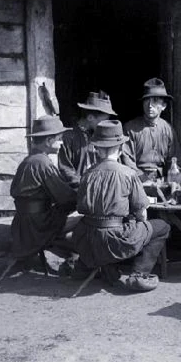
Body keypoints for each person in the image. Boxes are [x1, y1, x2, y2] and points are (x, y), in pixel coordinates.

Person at [71, 120, 171, 292]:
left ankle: (105, 266)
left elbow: (82, 208)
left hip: (87, 238)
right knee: (161, 227)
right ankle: (139, 273)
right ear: (121, 147)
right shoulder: (128, 174)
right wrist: (132, 217)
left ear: (97, 148)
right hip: (115, 238)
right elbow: (142, 215)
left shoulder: (87, 175)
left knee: (105, 228)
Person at [10, 115, 77, 260]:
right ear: (48, 141)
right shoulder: (42, 162)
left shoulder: (30, 160)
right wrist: (83, 193)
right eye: (59, 139)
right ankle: (79, 258)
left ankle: (69, 254)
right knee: (85, 219)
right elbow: (65, 197)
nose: (61, 144)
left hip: (23, 224)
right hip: (38, 226)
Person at [122, 78, 178, 183]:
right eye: (146, 100)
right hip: (136, 182)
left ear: (164, 106)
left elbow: (175, 159)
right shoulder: (130, 128)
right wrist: (142, 178)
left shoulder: (168, 129)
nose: (150, 105)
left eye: (155, 101)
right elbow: (126, 160)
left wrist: (170, 180)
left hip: (162, 181)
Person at [58, 91, 117, 189]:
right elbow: (65, 169)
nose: (105, 125)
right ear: (90, 117)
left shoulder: (98, 137)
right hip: (77, 193)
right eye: (103, 121)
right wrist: (85, 185)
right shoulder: (68, 137)